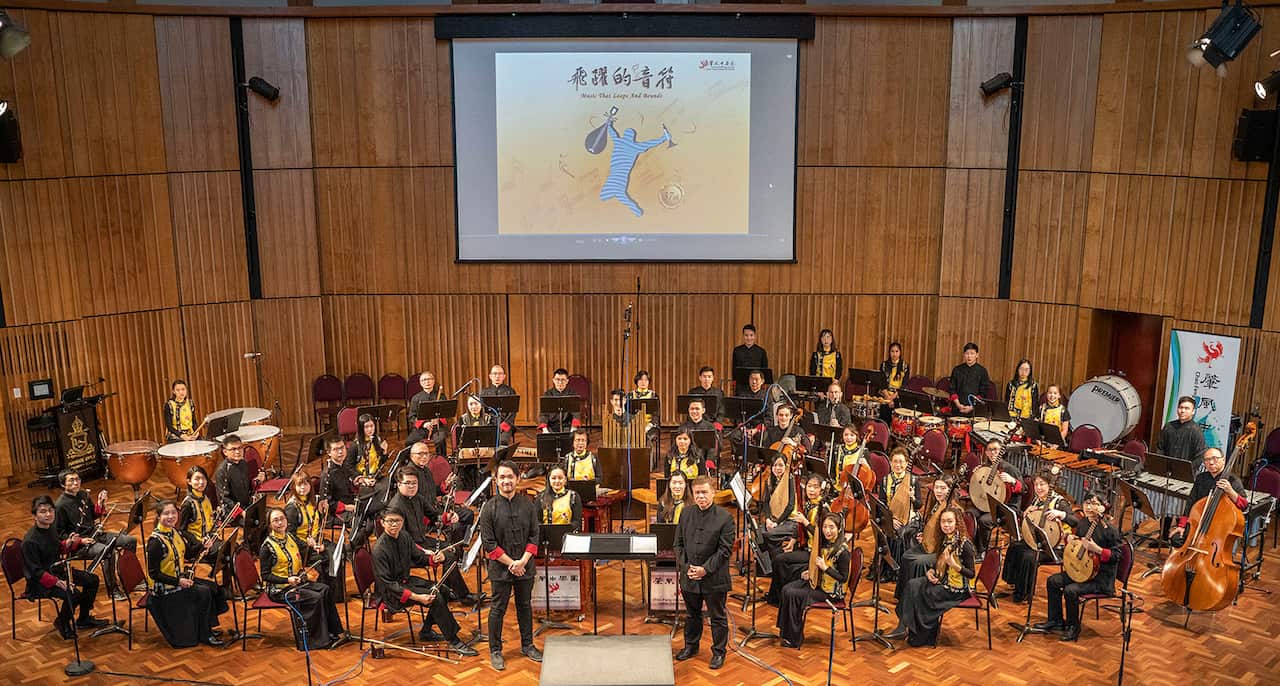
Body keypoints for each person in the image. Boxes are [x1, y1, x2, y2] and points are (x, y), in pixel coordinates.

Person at [371, 508, 478, 655]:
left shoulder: (404, 536)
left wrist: (434, 559)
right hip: (391, 593)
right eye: (390, 521)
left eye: (398, 521)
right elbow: (388, 584)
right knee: (436, 598)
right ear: (383, 523)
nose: (394, 525)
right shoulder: (379, 550)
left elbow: (418, 557)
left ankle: (426, 631)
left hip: (405, 581)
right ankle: (454, 640)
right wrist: (416, 597)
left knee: (444, 591)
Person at [1033, 490, 1123, 642]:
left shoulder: (1110, 530)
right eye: (1087, 503)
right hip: (1081, 570)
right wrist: (1071, 539)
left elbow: (1117, 555)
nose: (1089, 507)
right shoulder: (1084, 522)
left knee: (1070, 590)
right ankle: (1055, 621)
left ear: (1102, 507)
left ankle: (1073, 627)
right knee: (1052, 581)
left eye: (1094, 504)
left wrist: (1098, 550)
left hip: (1100, 579)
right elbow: (1079, 544)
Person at [478, 461, 542, 671]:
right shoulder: (489, 508)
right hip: (500, 568)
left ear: (518, 478)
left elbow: (534, 535)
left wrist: (522, 561)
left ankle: (527, 645)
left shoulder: (528, 505)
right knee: (498, 608)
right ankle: (495, 650)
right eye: (502, 477)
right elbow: (489, 544)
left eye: (510, 477)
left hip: (525, 565)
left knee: (525, 606)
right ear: (496, 481)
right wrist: (511, 563)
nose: (506, 481)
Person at [259, 507, 346, 650]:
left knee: (325, 589)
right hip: (280, 590)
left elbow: (305, 548)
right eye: (275, 520)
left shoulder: (290, 537)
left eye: (282, 518)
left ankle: (333, 632)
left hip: (296, 582)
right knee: (314, 597)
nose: (280, 522)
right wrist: (287, 580)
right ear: (269, 525)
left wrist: (315, 546)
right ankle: (316, 640)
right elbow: (265, 575)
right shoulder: (267, 547)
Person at [887, 506, 976, 647]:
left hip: (957, 590)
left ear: (957, 523)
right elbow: (939, 564)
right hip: (943, 580)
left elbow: (971, 574)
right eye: (943, 522)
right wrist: (930, 572)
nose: (946, 525)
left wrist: (954, 565)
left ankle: (922, 637)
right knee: (912, 584)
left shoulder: (965, 545)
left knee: (923, 594)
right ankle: (903, 627)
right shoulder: (945, 539)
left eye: (950, 522)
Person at [22, 495, 108, 639]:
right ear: (34, 515)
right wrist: (57, 582)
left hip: (57, 571)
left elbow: (57, 549)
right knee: (72, 593)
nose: (48, 514)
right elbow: (35, 571)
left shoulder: (51, 529)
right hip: (40, 582)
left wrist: (69, 543)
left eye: (50, 510)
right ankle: (62, 622)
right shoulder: (30, 541)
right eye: (43, 511)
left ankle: (84, 619)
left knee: (92, 580)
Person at [145, 499, 228, 647]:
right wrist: (179, 582)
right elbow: (154, 574)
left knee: (212, 587)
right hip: (164, 589)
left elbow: (188, 553)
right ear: (158, 517)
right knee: (203, 593)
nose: (171, 516)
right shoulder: (155, 543)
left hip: (178, 579)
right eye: (166, 514)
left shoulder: (174, 532)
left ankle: (206, 628)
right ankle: (205, 635)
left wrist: (203, 545)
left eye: (173, 512)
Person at [674, 476, 735, 670]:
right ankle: (691, 646)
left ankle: (718, 652)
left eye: (704, 492)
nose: (700, 496)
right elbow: (678, 544)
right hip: (690, 576)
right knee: (692, 615)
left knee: (717, 616)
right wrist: (687, 568)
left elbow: (724, 551)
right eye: (697, 493)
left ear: (713, 493)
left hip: (714, 578)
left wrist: (704, 570)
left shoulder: (725, 518)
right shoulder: (685, 513)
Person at [386, 468, 473, 602]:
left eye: (414, 483)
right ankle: (462, 596)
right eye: (407, 483)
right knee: (448, 555)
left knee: (451, 549)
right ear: (399, 484)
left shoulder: (417, 498)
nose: (412, 486)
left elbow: (434, 516)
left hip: (421, 540)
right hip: (407, 550)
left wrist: (449, 516)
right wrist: (423, 551)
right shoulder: (395, 507)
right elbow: (401, 539)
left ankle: (446, 590)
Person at [54, 468, 138, 598]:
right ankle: (113, 588)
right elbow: (59, 534)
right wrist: (80, 541)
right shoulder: (59, 506)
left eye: (77, 479)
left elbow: (93, 514)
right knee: (107, 551)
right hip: (80, 545)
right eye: (71, 480)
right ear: (63, 484)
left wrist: (100, 503)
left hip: (96, 534)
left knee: (130, 541)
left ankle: (131, 578)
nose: (76, 483)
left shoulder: (83, 495)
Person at [776, 513, 850, 649]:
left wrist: (825, 568)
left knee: (793, 594)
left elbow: (843, 578)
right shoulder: (825, 543)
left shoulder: (843, 551)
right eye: (825, 527)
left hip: (830, 593)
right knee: (786, 589)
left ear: (839, 529)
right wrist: (811, 572)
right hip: (818, 583)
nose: (827, 531)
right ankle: (786, 632)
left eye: (832, 527)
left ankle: (794, 639)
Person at [1001, 469, 1069, 603]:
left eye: (1042, 484)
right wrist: (1026, 512)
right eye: (1036, 484)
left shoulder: (1060, 502)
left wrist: (1061, 514)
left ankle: (1025, 594)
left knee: (1028, 556)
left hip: (1055, 546)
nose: (1038, 488)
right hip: (1037, 541)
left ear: (1050, 485)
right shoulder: (1037, 500)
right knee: (1015, 547)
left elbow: (1074, 521)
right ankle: (1014, 583)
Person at [1169, 447, 1247, 546]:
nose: (1211, 462)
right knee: (1176, 539)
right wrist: (1181, 526)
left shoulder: (1233, 480)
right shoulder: (1201, 478)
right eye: (1207, 460)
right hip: (1198, 524)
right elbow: (1191, 502)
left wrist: (1230, 491)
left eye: (1215, 458)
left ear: (1223, 460)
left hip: (1219, 530)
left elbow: (1244, 505)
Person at [767, 473, 825, 605]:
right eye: (809, 486)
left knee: (779, 560)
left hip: (814, 552)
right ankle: (777, 596)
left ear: (821, 490)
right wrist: (793, 541)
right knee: (777, 555)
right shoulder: (808, 503)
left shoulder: (822, 508)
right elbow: (799, 527)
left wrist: (805, 522)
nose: (811, 490)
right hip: (804, 546)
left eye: (815, 487)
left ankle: (780, 597)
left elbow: (820, 536)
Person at [897, 476, 954, 600]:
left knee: (917, 562)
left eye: (943, 488)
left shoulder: (953, 510)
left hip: (942, 551)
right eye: (936, 487)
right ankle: (905, 596)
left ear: (950, 490)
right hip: (929, 545)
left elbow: (951, 539)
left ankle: (918, 597)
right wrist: (924, 535)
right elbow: (931, 526)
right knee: (906, 556)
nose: (938, 491)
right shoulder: (935, 504)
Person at [318, 437, 379, 546]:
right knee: (366, 522)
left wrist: (361, 480)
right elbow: (326, 504)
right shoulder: (327, 475)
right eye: (336, 449)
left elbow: (351, 479)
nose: (340, 452)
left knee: (377, 509)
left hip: (351, 502)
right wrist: (347, 507)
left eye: (342, 447)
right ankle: (351, 548)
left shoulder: (344, 464)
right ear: (329, 453)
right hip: (337, 513)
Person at [967, 438, 1022, 555]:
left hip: (1005, 507)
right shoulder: (986, 467)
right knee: (970, 514)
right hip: (987, 504)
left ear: (1002, 451)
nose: (993, 453)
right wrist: (977, 475)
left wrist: (1013, 481)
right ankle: (971, 547)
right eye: (990, 450)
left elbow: (1024, 489)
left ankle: (982, 552)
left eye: (996, 450)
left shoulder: (1010, 469)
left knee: (984, 521)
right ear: (986, 452)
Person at [284, 472, 337, 586]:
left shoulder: (311, 500)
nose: (303, 487)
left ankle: (334, 593)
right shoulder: (292, 508)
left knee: (337, 552)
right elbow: (289, 536)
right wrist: (309, 544)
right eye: (299, 485)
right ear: (294, 487)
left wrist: (323, 510)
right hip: (301, 549)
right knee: (328, 560)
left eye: (306, 484)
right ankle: (325, 590)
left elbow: (315, 522)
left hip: (314, 541)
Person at [879, 448, 919, 578]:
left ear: (907, 463)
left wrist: (913, 497)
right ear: (890, 463)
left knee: (900, 533)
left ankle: (898, 572)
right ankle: (886, 569)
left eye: (901, 462)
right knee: (886, 531)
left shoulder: (913, 480)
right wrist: (890, 520)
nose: (898, 465)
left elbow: (918, 506)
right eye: (895, 461)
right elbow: (882, 503)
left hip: (909, 517)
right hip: (891, 517)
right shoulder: (885, 481)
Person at [214, 434, 264, 515]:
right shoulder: (222, 471)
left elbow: (248, 487)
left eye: (240, 448)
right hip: (233, 513)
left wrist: (257, 480)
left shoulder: (243, 463)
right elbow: (224, 499)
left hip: (247, 506)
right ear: (225, 452)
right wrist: (241, 512)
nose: (238, 452)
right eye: (233, 449)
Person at [178, 466, 220, 563]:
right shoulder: (188, 504)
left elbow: (210, 520)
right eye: (197, 479)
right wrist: (200, 543)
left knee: (233, 547)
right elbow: (181, 531)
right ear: (189, 481)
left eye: (203, 479)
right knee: (226, 552)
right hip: (197, 546)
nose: (201, 482)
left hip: (210, 540)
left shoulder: (205, 498)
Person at [406, 371, 449, 455]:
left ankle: (442, 461)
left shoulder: (441, 396)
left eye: (429, 379)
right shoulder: (416, 398)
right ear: (420, 383)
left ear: (433, 381)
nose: (427, 382)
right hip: (422, 427)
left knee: (440, 440)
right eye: (424, 380)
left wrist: (438, 419)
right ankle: (412, 462)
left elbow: (446, 413)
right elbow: (411, 417)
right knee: (410, 441)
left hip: (438, 427)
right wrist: (424, 424)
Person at [1157, 396, 1207, 466]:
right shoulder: (1169, 426)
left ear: (1193, 411)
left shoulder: (1196, 431)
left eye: (1187, 408)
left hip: (1185, 473)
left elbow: (1200, 455)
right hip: (1166, 469)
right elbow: (1160, 448)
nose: (1182, 411)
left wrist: (1188, 470)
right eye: (1181, 407)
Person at [948, 342, 993, 417]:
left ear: (977, 355)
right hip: (957, 408)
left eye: (972, 353)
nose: (969, 356)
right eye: (967, 353)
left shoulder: (982, 371)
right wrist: (958, 405)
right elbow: (952, 389)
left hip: (975, 410)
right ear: (964, 355)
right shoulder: (957, 370)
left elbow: (983, 392)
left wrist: (972, 407)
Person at [478, 365, 517, 446]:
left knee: (503, 441)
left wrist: (505, 424)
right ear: (490, 376)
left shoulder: (510, 391)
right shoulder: (484, 392)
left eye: (500, 374)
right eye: (495, 373)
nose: (497, 376)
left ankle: (502, 458)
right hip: (489, 424)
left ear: (504, 376)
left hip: (505, 423)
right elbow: (481, 410)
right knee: (486, 440)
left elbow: (513, 411)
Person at [347, 414, 389, 487]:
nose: (370, 429)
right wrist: (362, 479)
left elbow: (381, 462)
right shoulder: (355, 445)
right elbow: (349, 466)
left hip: (376, 477)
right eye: (366, 427)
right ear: (361, 428)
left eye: (372, 426)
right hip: (362, 479)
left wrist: (385, 451)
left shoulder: (377, 440)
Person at [538, 368, 582, 434]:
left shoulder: (572, 394)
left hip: (568, 424)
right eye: (557, 379)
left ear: (567, 381)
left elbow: (576, 412)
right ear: (553, 380)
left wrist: (574, 427)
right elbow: (543, 414)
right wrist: (544, 429)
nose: (560, 382)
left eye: (563, 380)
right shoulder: (547, 394)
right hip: (551, 424)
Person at [162, 379, 198, 443]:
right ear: (173, 391)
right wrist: (182, 436)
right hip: (176, 436)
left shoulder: (190, 403)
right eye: (178, 390)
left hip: (190, 434)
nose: (181, 392)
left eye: (183, 389)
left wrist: (196, 432)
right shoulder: (169, 405)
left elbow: (194, 421)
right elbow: (169, 426)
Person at [628, 370, 659, 440]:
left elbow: (656, 414)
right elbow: (628, 413)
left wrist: (649, 425)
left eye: (646, 380)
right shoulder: (630, 395)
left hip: (649, 425)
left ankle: (647, 450)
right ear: (637, 381)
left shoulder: (654, 395)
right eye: (641, 379)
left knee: (645, 436)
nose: (643, 382)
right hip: (634, 425)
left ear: (648, 382)